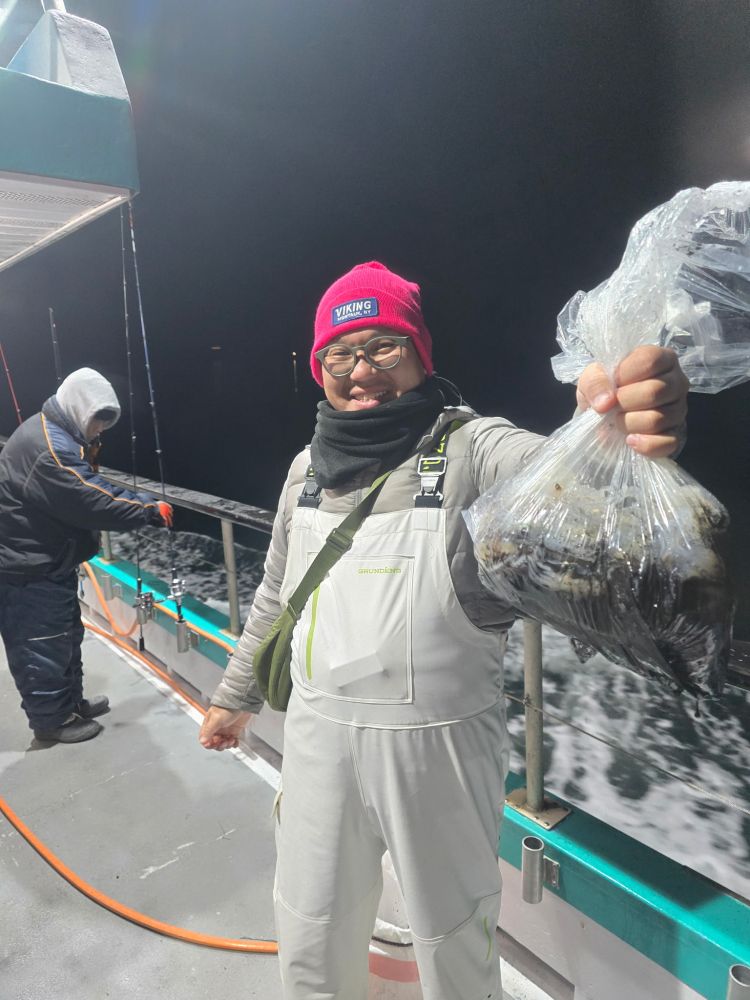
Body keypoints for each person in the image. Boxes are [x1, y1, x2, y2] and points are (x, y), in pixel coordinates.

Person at [198, 261, 689, 1000]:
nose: (360, 370)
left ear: (422, 355)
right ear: (318, 367)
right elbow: (275, 592)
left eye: (383, 347)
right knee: (309, 923)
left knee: (453, 936)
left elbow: (558, 476)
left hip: (441, 748)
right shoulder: (305, 468)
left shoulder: (471, 448)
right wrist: (235, 696)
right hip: (315, 740)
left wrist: (610, 426)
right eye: (340, 353)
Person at [0, 367, 173, 745]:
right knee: (41, 642)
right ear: (81, 409)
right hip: (28, 567)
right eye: (97, 422)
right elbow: (87, 496)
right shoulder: (50, 450)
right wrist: (147, 509)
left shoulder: (53, 431)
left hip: (46, 558)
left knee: (64, 635)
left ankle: (69, 704)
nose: (99, 432)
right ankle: (51, 721)